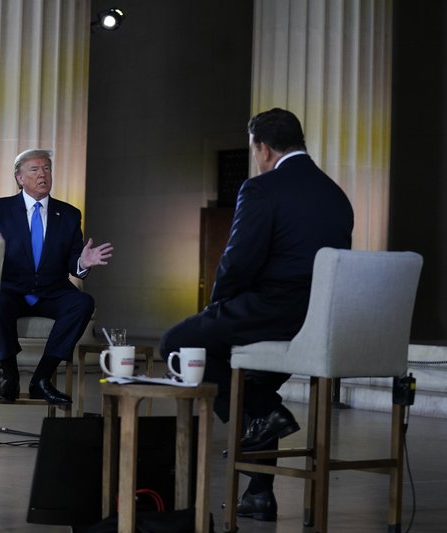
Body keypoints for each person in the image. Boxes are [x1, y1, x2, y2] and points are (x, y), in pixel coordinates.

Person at [159, 108, 354, 521]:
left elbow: (238, 262)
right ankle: (259, 494)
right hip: (318, 322)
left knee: (176, 343)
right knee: (255, 385)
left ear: (263, 149)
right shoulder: (337, 194)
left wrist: (216, 309)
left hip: (271, 312)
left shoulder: (261, 189)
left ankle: (266, 415)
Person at [0, 149, 113, 405]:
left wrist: (82, 262)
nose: (43, 174)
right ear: (20, 178)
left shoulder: (68, 214)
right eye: (34, 170)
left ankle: (42, 378)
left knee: (82, 303)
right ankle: (9, 375)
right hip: (11, 289)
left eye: (47, 168)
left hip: (51, 290)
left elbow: (73, 262)